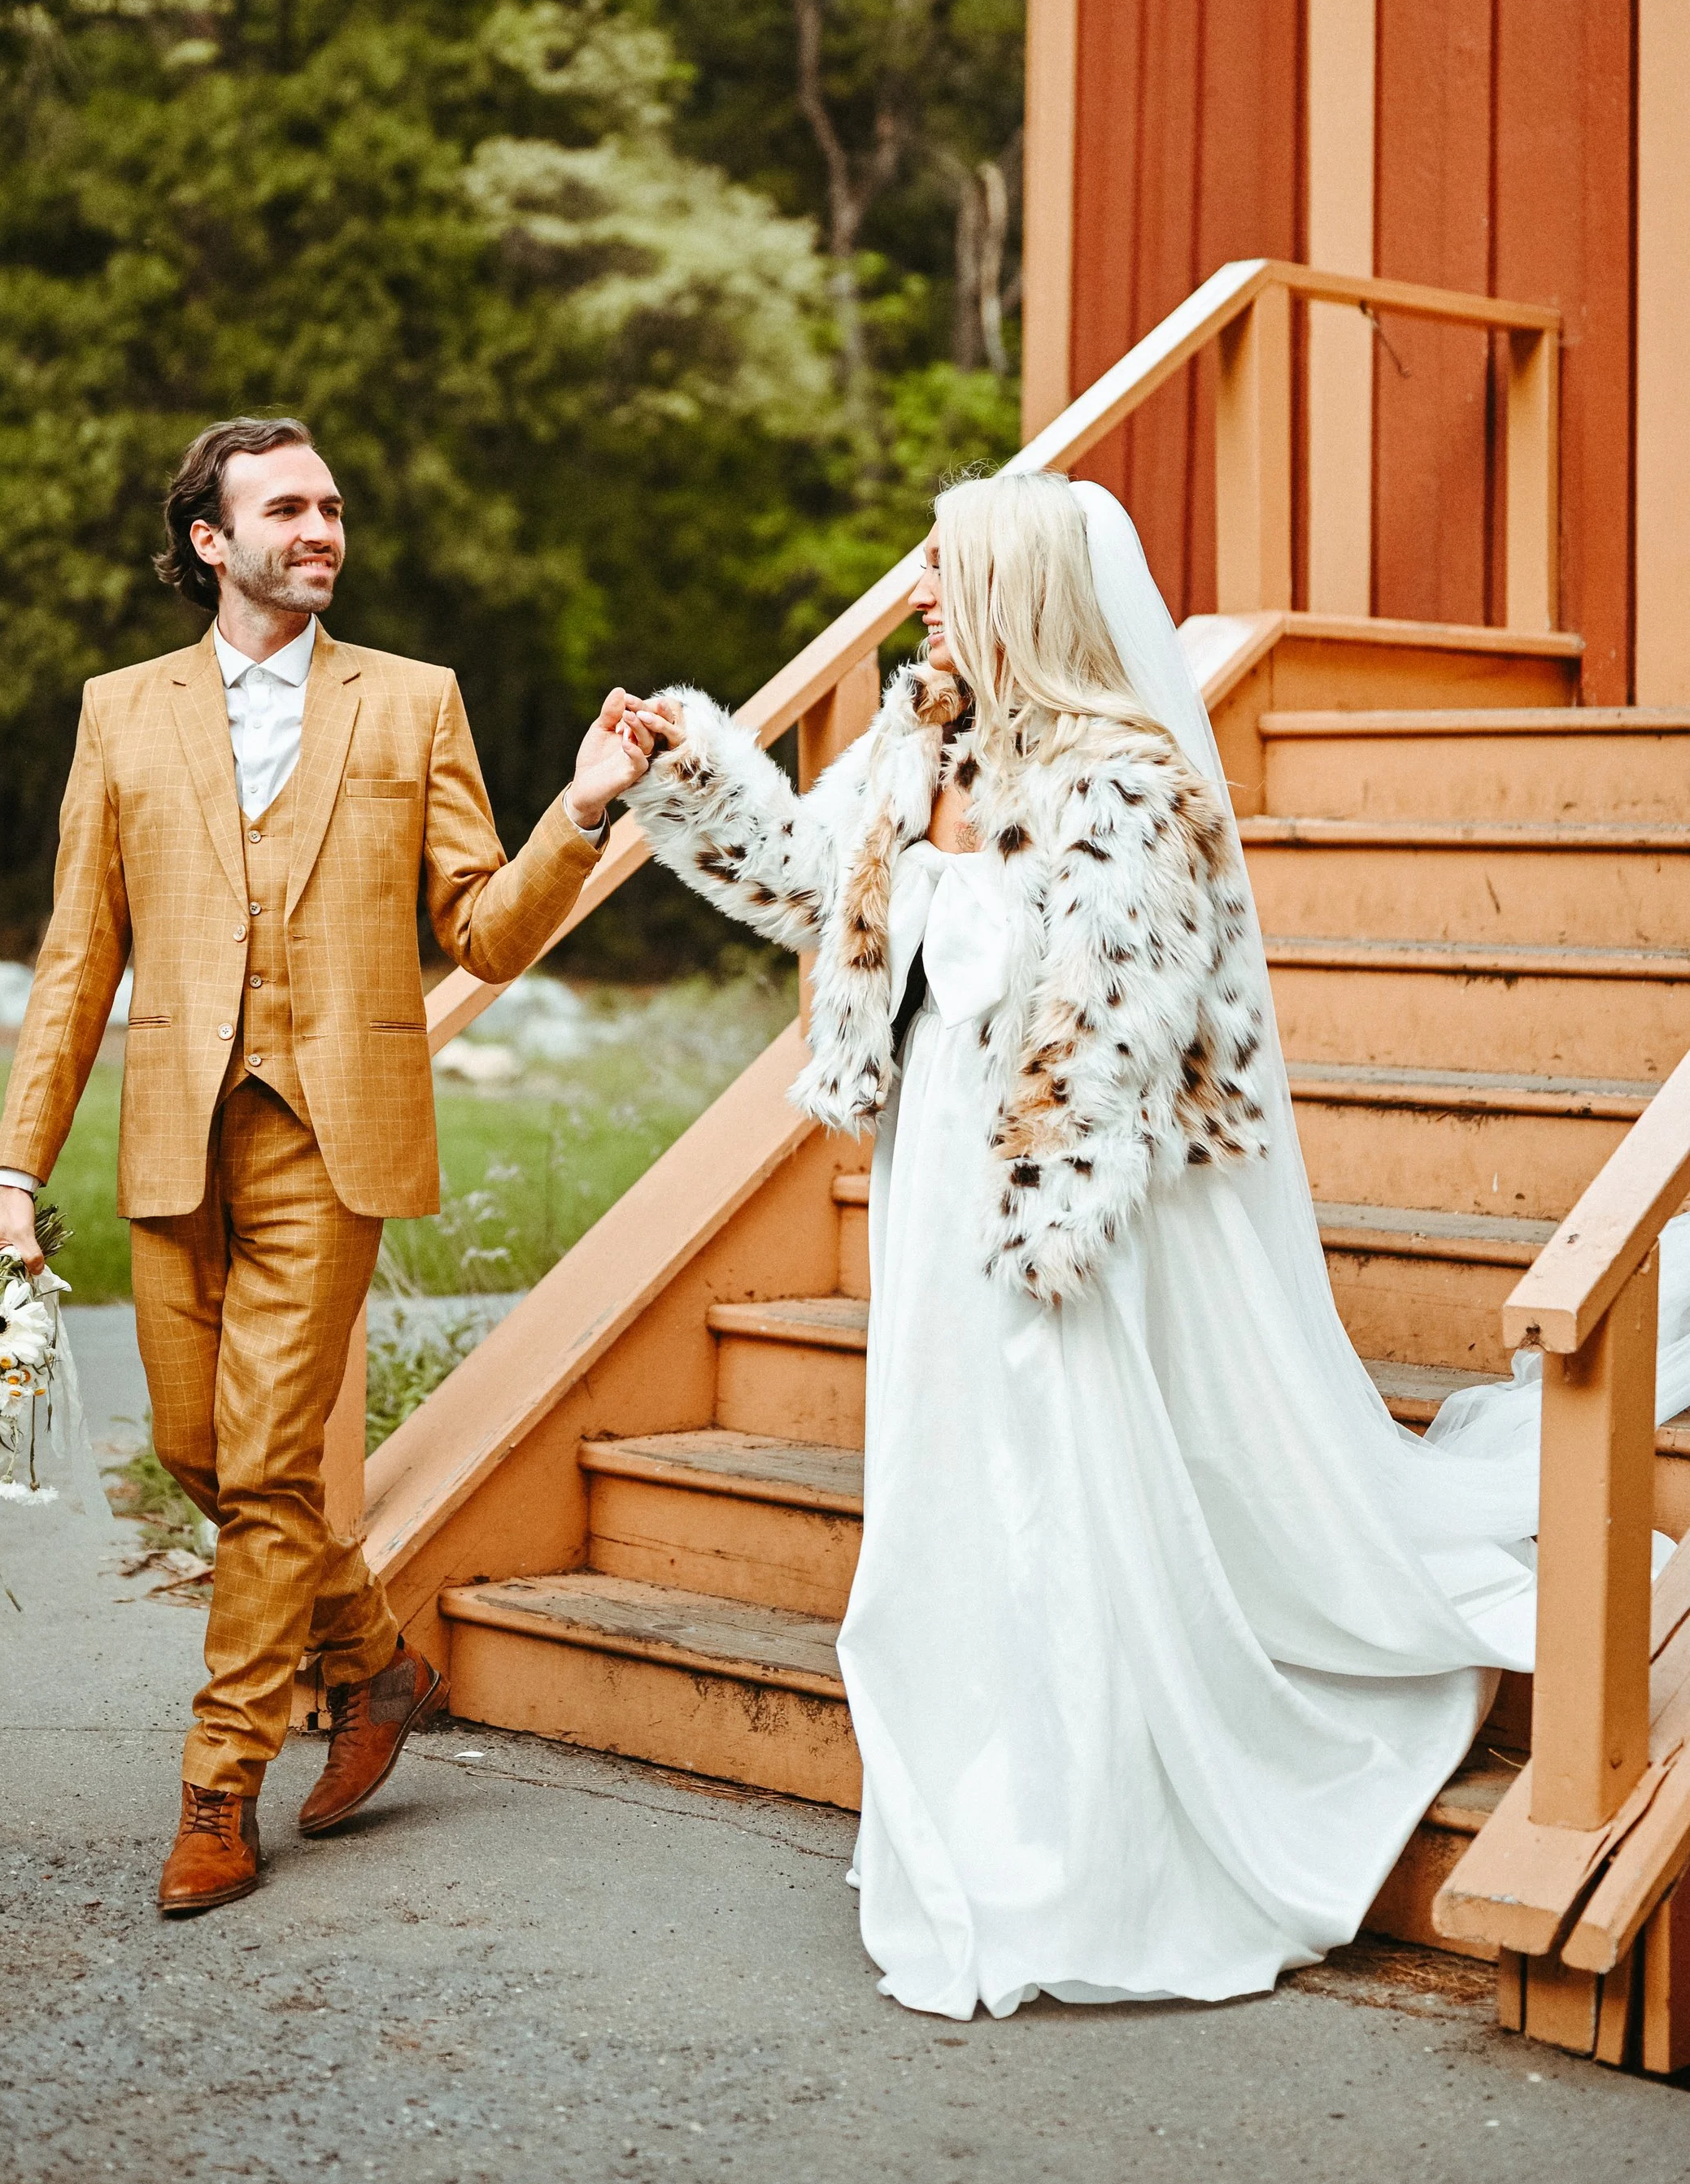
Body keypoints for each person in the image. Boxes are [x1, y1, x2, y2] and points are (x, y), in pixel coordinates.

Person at [617, 470, 1690, 2019]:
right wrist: (686, 772)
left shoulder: (1129, 785)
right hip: (931, 1193)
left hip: (1058, 1209)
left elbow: (1125, 1030)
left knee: (1056, 1488)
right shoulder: (916, 742)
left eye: (945, 566)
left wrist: (1047, 1216)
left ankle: (1082, 1831)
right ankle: (979, 1782)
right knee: (945, 1483)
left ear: (1018, 590)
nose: (918, 589)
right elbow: (812, 890)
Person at [0, 415, 646, 1917]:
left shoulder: (414, 705)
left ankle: (219, 1788)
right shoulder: (120, 716)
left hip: (331, 1139)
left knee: (270, 1465)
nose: (322, 528)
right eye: (287, 508)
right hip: (174, 1139)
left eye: (334, 504)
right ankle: (376, 1660)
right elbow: (78, 961)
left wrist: (582, 809)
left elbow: (480, 927)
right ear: (211, 541)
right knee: (197, 1455)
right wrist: (15, 1179)